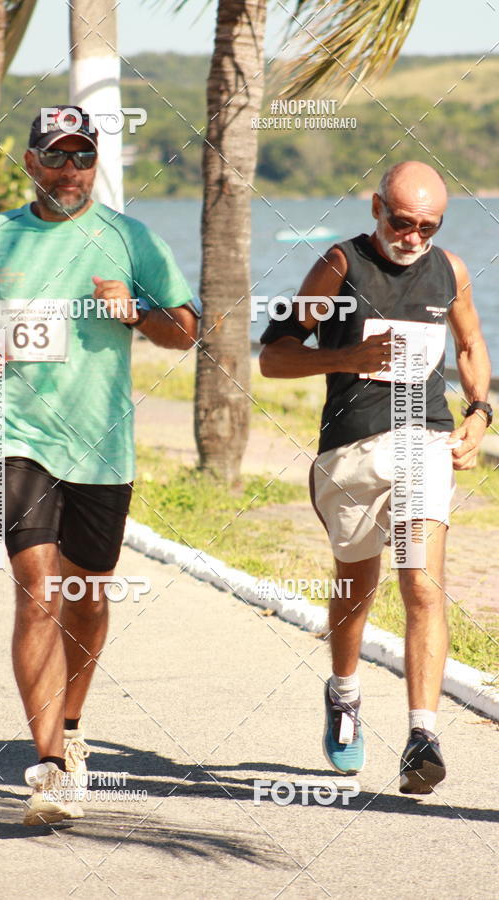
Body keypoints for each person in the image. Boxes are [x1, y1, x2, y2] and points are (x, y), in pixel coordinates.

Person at [0, 106, 199, 824]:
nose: (69, 170)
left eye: (82, 157)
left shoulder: (127, 238)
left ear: (95, 165)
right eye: (56, 156)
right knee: (36, 591)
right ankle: (50, 762)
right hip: (14, 435)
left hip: (99, 443)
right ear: (30, 163)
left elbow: (187, 331)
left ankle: (74, 726)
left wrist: (138, 311)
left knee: (87, 598)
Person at [259, 161, 492, 794]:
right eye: (401, 221)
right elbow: (273, 355)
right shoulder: (339, 265)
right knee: (356, 583)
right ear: (375, 207)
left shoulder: (451, 271)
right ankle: (344, 693)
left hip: (423, 442)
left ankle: (422, 736)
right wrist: (347, 357)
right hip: (349, 453)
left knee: (421, 584)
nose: (412, 235)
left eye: (427, 225)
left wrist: (480, 412)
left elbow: (470, 346)